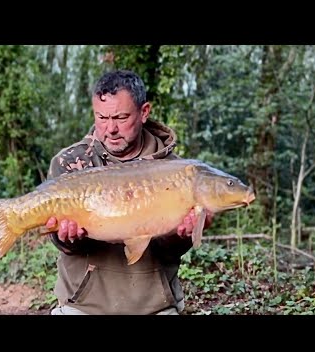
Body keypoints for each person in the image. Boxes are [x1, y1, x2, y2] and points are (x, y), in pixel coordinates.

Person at [44, 69, 213, 315]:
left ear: (144, 112)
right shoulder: (71, 163)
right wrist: (66, 237)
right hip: (83, 306)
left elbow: (170, 252)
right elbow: (63, 245)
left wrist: (181, 234)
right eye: (101, 117)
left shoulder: (177, 172)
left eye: (121, 118)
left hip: (155, 306)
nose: (110, 129)